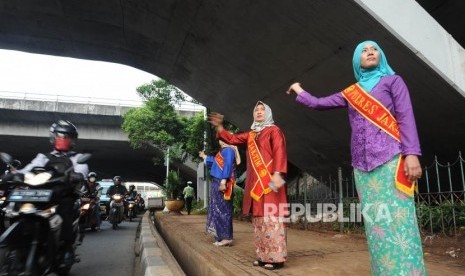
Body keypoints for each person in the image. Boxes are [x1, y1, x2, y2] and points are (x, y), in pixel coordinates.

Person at [287, 40, 426, 275]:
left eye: (374, 49)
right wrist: (299, 89)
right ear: (356, 60)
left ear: (381, 56)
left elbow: (405, 117)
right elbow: (320, 104)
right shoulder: (352, 92)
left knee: (399, 223)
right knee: (376, 226)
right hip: (362, 169)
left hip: (390, 161)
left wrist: (411, 154)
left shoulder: (393, 81)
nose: (370, 52)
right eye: (364, 50)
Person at [208, 101, 288, 270]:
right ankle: (262, 255)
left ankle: (276, 258)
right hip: (255, 184)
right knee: (259, 220)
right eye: (256, 110)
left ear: (268, 113)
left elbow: (280, 151)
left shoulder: (274, 131)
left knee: (272, 219)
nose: (259, 112)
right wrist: (220, 127)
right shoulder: (251, 134)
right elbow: (232, 138)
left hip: (271, 181)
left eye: (262, 109)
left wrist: (278, 174)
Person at [18, 120, 89, 266]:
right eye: (59, 135)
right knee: (16, 208)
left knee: (66, 209)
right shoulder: (43, 157)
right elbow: (27, 169)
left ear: (72, 140)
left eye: (66, 136)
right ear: (53, 137)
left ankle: (66, 249)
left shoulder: (76, 158)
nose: (62, 139)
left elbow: (82, 171)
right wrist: (14, 175)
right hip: (40, 195)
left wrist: (76, 176)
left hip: (64, 196)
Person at [199, 139, 241, 246]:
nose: (221, 140)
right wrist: (205, 157)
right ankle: (221, 236)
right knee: (218, 209)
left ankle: (226, 237)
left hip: (221, 182)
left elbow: (227, 165)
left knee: (223, 210)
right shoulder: (224, 151)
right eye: (221, 139)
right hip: (218, 181)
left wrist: (223, 181)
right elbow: (216, 163)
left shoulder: (228, 150)